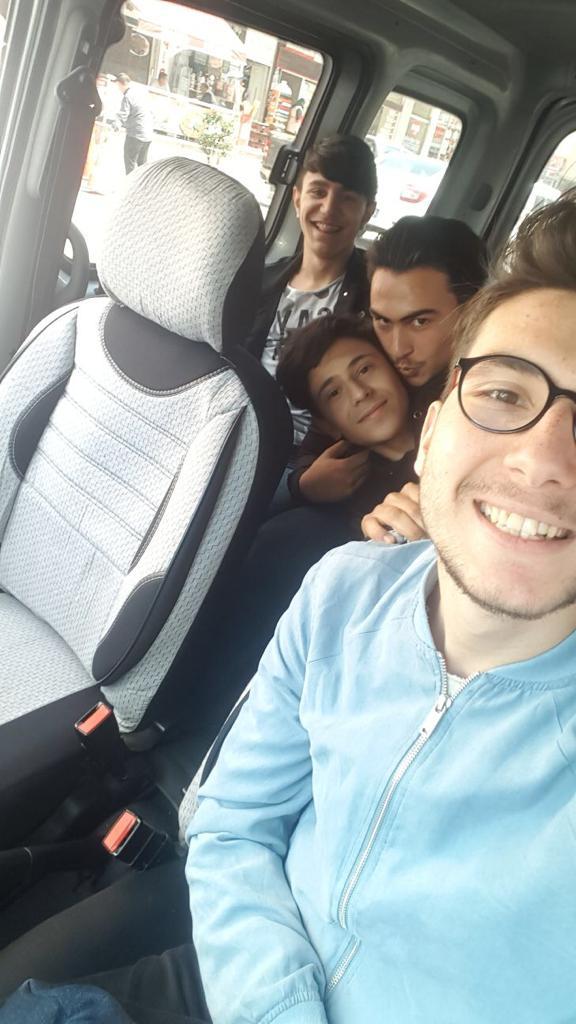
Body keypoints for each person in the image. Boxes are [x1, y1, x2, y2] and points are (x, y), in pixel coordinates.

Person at [2, 190, 576, 1023]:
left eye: (416, 327)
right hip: (231, 966)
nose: (544, 459)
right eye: (505, 394)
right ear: (439, 422)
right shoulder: (345, 588)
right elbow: (234, 821)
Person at [292, 214, 487, 507]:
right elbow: (320, 433)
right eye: (382, 320)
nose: (398, 349)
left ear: (472, 309)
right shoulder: (372, 359)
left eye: (419, 321)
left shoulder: (493, 385)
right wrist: (304, 483)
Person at [244, 134, 377, 446]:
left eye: (347, 198)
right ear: (297, 198)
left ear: (367, 212)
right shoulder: (262, 283)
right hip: (248, 436)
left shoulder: (374, 296)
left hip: (318, 454)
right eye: (318, 192)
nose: (329, 209)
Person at [275, 314, 416, 523]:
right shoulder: (365, 500)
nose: (360, 393)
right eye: (334, 393)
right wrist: (303, 485)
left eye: (364, 369)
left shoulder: (451, 408)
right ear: (326, 424)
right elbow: (307, 461)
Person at [114, 74, 154, 174]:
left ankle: (130, 182)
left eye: (118, 85)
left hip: (135, 134)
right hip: (148, 133)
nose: (118, 88)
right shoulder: (140, 92)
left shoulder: (128, 96)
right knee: (142, 164)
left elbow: (123, 115)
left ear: (120, 84)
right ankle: (143, 182)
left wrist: (116, 125)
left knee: (130, 162)